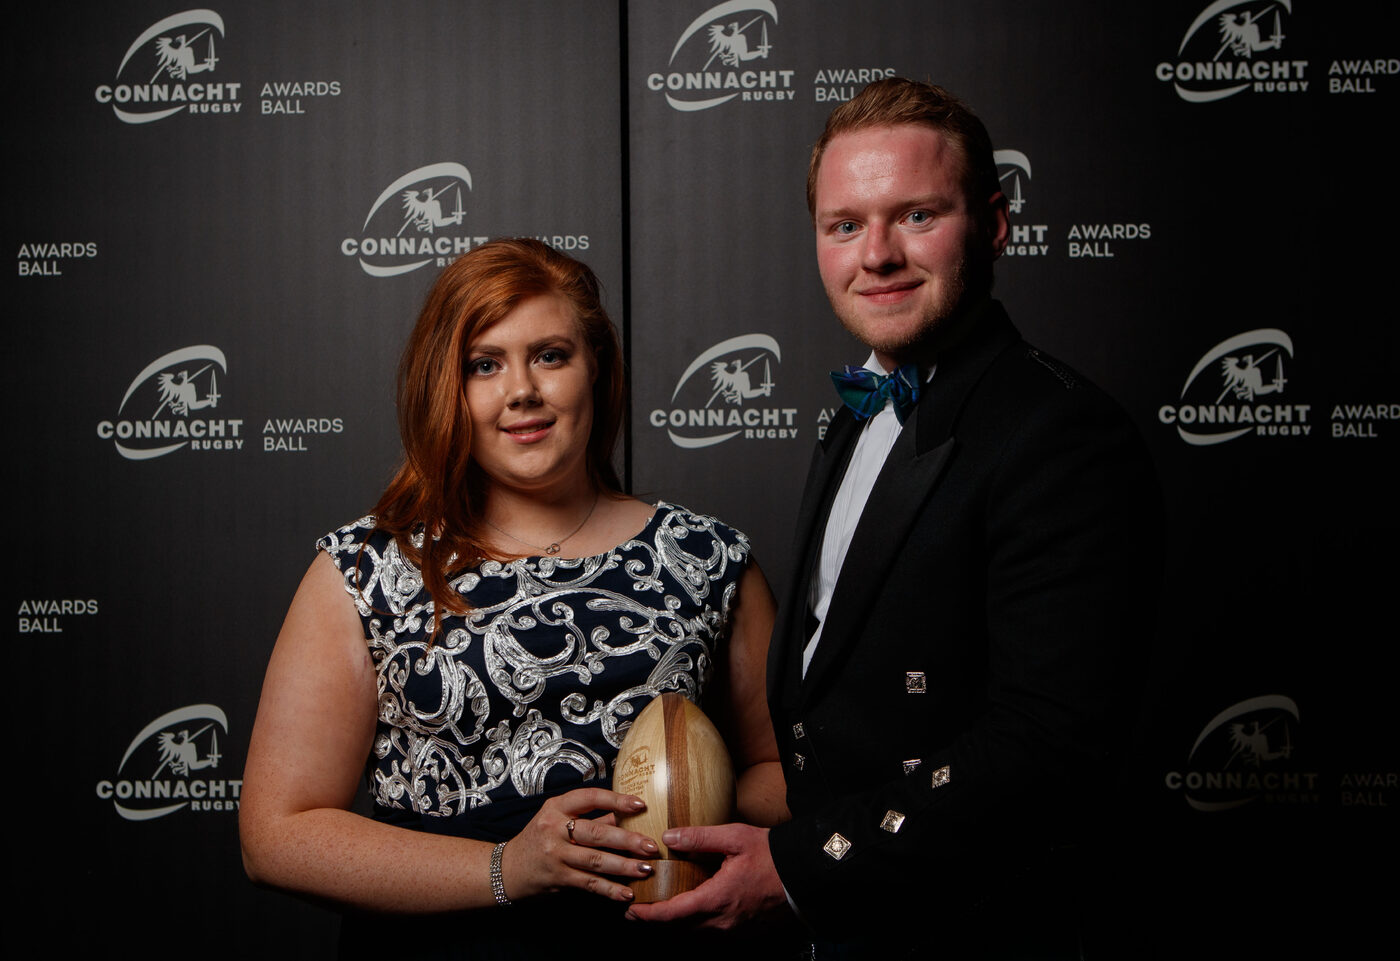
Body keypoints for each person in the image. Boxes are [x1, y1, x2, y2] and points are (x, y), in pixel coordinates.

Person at [627, 79, 1162, 956]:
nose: (875, 255)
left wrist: (798, 866)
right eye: (845, 224)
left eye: (916, 216)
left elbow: (1048, 743)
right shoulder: (853, 417)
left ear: (993, 224)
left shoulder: (1063, 433)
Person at [240, 239, 786, 958]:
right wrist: (508, 868)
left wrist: (682, 797)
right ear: (448, 387)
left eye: (550, 355)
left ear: (597, 367)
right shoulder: (367, 566)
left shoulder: (707, 558)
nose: (521, 390)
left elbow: (787, 774)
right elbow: (277, 835)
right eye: (485, 364)